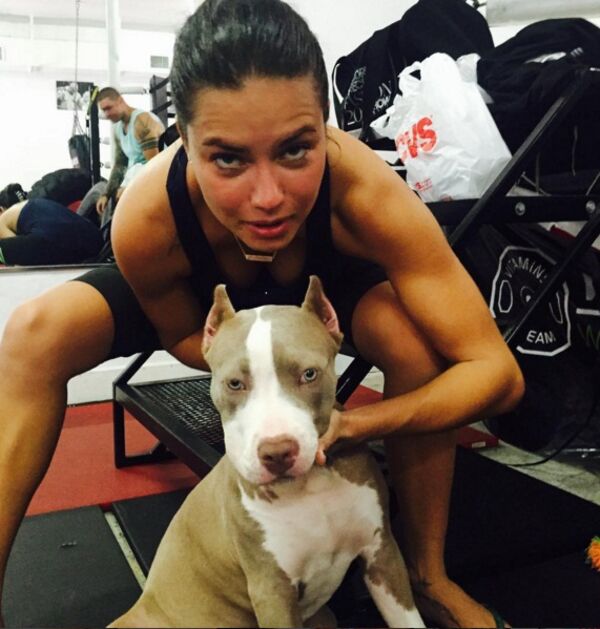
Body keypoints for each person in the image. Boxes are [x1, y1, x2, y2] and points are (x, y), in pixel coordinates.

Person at [0, 1, 525, 627]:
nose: (268, 197)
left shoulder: (366, 193)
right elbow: (182, 333)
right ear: (182, 139)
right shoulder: (147, 218)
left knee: (414, 342)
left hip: (321, 296)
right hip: (203, 309)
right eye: (227, 158)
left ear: (325, 127)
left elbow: (498, 374)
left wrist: (357, 423)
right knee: (34, 333)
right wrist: (255, 383)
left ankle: (427, 573)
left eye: (297, 150)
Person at [95, 87, 165, 219]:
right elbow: (120, 164)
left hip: (152, 183)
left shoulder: (142, 121)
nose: (107, 114)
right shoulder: (117, 128)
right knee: (98, 192)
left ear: (121, 101)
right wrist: (107, 194)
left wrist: (129, 189)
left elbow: (155, 167)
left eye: (109, 108)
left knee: (113, 203)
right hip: (134, 180)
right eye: (104, 110)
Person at [0, 198, 103, 266]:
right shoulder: (28, 203)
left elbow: (17, 257)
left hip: (55, 238)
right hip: (94, 238)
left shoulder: (2, 221)